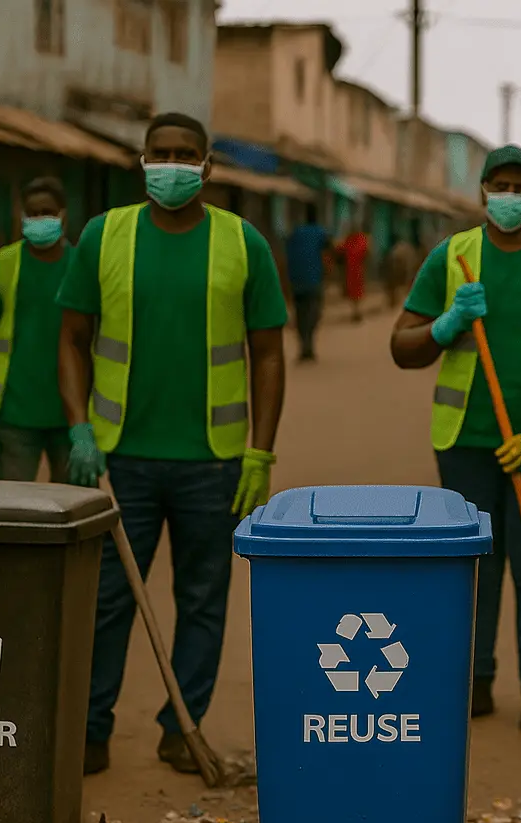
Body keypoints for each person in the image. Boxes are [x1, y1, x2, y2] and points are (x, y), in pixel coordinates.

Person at [57, 111, 288, 776]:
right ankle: (90, 728)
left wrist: (259, 451)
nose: (174, 164)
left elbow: (267, 354)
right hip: (119, 457)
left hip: (212, 462)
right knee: (105, 601)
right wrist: (78, 425)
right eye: (162, 152)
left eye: (188, 154)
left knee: (203, 602)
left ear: (208, 165)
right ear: (142, 158)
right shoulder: (105, 236)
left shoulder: (243, 244)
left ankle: (180, 727)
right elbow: (70, 339)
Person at [390, 144, 521, 732]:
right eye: (499, 185)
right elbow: (401, 347)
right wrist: (444, 324)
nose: (510, 196)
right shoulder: (452, 258)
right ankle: (475, 683)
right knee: (473, 566)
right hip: (465, 443)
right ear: (482, 190)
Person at [0, 176, 74, 481]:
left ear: (64, 215)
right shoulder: (1, 265)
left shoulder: (82, 267)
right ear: (21, 216)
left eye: (48, 212)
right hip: (15, 414)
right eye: (33, 213)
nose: (40, 219)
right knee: (15, 513)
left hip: (73, 416)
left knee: (77, 513)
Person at [285, 205, 332, 361]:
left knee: (300, 313)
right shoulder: (320, 233)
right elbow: (327, 254)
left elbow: (287, 254)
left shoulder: (295, 233)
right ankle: (308, 345)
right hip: (313, 279)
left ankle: (303, 346)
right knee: (313, 313)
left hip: (296, 279)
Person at [338, 221, 371, 322]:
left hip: (355, 270)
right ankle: (356, 311)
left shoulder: (356, 239)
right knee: (355, 292)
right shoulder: (359, 239)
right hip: (353, 270)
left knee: (356, 292)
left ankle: (356, 311)